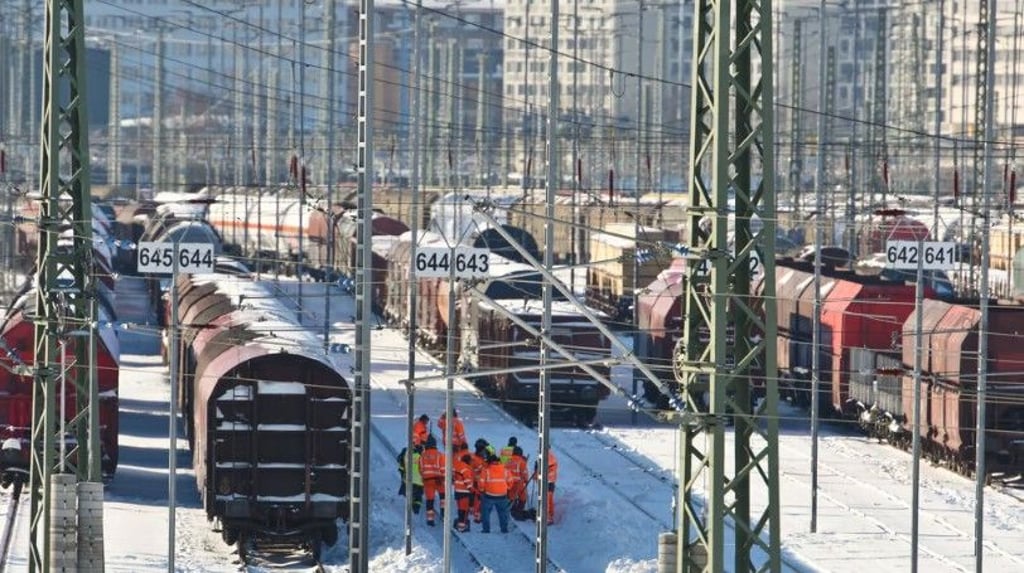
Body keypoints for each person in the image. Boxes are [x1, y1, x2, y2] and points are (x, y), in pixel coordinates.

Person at [477, 454, 511, 534]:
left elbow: (481, 483)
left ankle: (486, 530)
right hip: (502, 496)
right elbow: (510, 481)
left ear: (489, 462)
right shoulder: (505, 470)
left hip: (489, 496)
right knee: (503, 513)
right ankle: (504, 529)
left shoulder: (486, 471)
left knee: (485, 513)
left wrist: (482, 490)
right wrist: (506, 488)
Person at [419, 436, 446, 526]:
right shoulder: (440, 455)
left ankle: (430, 520)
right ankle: (443, 514)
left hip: (427, 481)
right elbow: (443, 468)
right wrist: (443, 477)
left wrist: (425, 476)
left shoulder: (422, 456)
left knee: (430, 500)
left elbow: (421, 469)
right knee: (443, 497)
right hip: (439, 480)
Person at [396, 445, 423, 514]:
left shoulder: (406, 452)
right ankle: (416, 508)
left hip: (408, 479)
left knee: (406, 490)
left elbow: (399, 460)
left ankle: (409, 501)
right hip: (420, 481)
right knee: (419, 495)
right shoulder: (422, 456)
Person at [534, 448, 558, 525]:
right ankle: (550, 515)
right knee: (549, 499)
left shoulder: (544, 458)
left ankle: (546, 518)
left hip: (546, 482)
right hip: (551, 481)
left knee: (545, 501)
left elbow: (542, 471)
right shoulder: (551, 456)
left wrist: (537, 470)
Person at [452, 452, 475, 532]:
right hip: (464, 491)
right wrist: (471, 489)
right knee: (464, 510)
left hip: (457, 490)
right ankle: (462, 527)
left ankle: (459, 524)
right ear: (468, 461)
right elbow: (467, 480)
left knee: (460, 509)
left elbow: (453, 478)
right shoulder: (466, 468)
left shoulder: (457, 467)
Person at [506, 446, 530, 520]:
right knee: (522, 498)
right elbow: (525, 473)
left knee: (511, 498)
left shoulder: (508, 461)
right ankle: (518, 512)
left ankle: (512, 511)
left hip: (509, 484)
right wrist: (526, 480)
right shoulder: (522, 462)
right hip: (518, 484)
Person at [469, 442, 488, 523]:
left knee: (474, 498)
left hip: (474, 481)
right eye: (484, 450)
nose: (485, 452)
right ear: (480, 450)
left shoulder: (473, 456)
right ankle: (477, 517)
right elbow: (484, 469)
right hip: (477, 482)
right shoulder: (478, 461)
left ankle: (472, 510)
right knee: (479, 500)